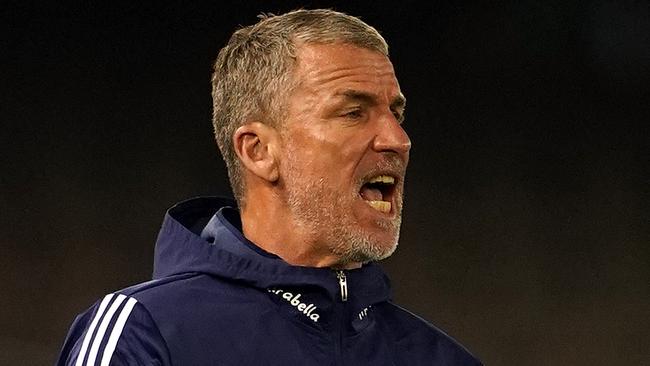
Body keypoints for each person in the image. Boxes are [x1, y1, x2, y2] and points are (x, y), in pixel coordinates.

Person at [57, 9, 482, 365]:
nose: (397, 139)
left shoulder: (441, 357)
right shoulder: (145, 331)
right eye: (353, 112)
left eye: (396, 113)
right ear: (259, 151)